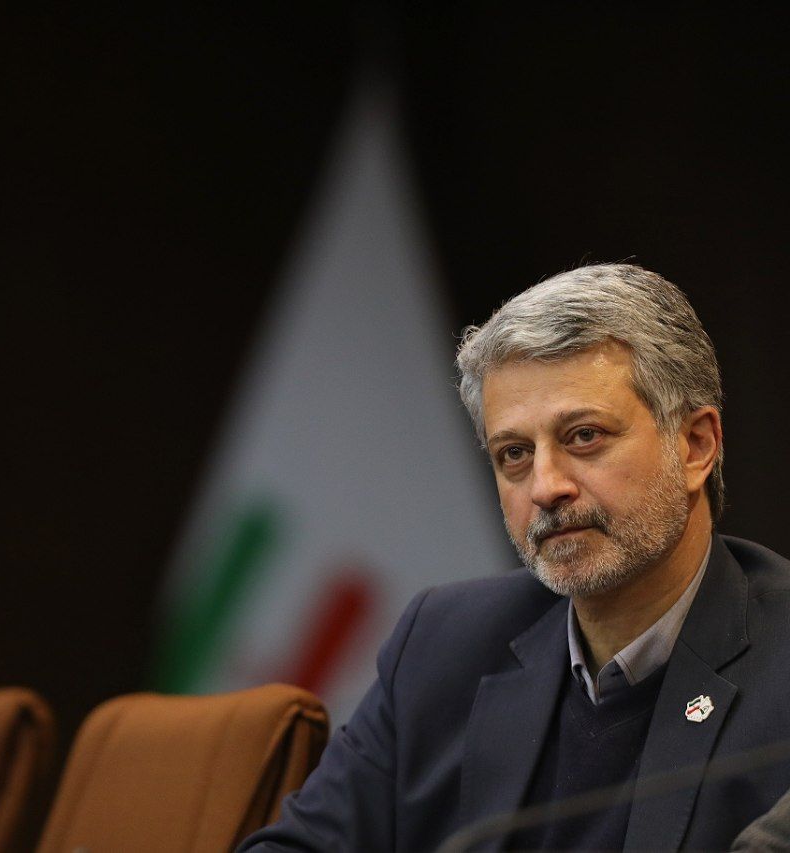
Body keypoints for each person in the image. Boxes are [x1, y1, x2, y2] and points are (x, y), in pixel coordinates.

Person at [239, 264, 790, 851]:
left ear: (696, 446)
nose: (546, 487)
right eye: (515, 454)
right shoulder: (443, 644)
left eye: (584, 436)